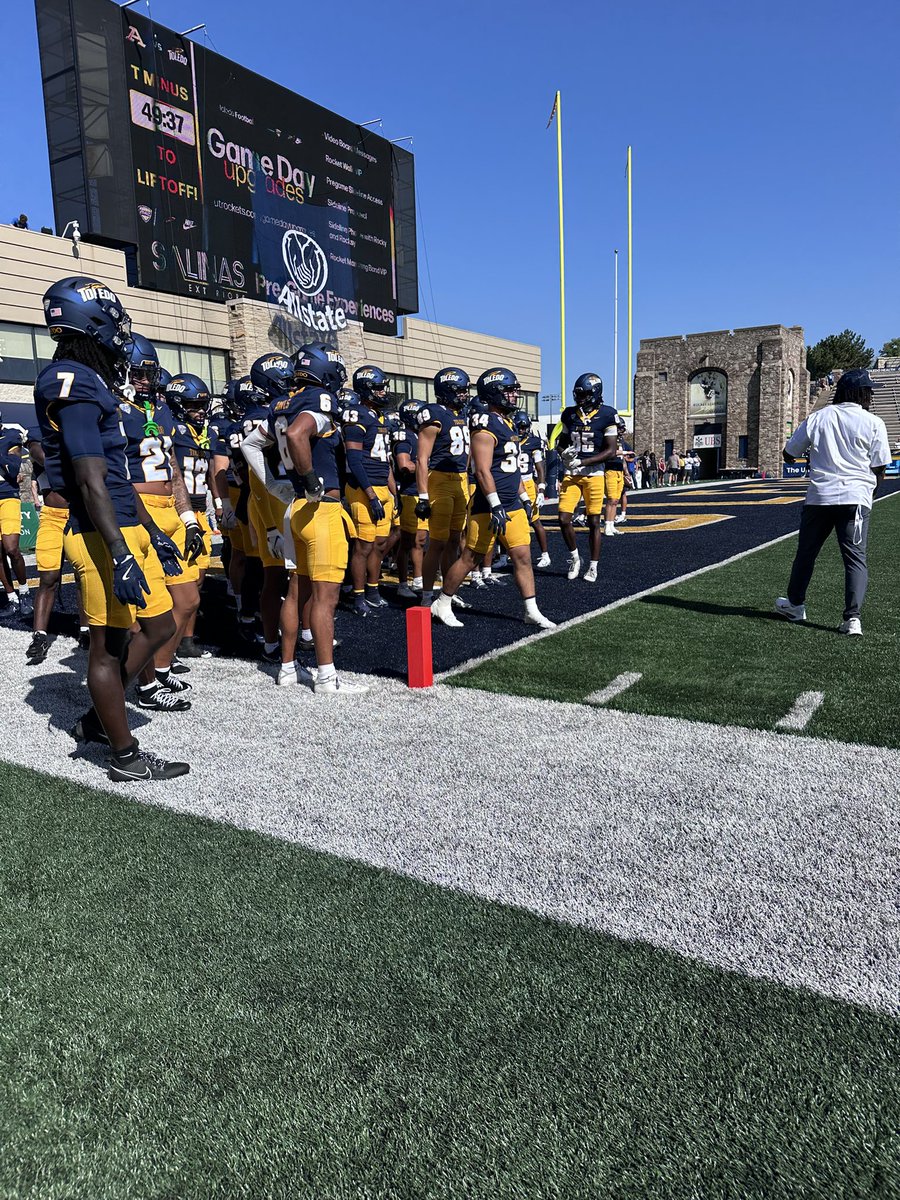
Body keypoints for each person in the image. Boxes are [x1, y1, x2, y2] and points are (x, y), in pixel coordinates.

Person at [35, 275, 188, 780]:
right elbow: (88, 476)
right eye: (115, 327)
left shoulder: (91, 379)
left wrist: (154, 533)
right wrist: (120, 551)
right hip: (101, 534)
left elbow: (117, 476)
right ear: (93, 324)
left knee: (161, 625)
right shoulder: (71, 380)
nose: (121, 338)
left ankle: (101, 718)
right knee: (107, 646)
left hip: (126, 523)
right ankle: (125, 757)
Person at [430, 368, 554, 629]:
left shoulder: (507, 423)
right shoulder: (484, 424)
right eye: (508, 391)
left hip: (511, 503)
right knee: (471, 557)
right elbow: (482, 470)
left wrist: (524, 497)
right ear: (493, 393)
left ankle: (531, 610)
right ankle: (442, 602)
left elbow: (512, 468)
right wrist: (495, 504)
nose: (514, 395)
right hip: (488, 505)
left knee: (522, 556)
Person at [775, 368, 890, 635]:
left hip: (820, 496)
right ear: (859, 393)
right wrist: (869, 494)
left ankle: (795, 605)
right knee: (855, 559)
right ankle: (852, 618)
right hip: (856, 498)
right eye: (868, 391)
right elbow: (880, 467)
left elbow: (789, 453)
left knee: (806, 554)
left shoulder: (819, 417)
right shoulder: (874, 422)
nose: (871, 396)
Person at [342, 365, 396, 615]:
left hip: (382, 487)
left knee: (380, 543)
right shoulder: (356, 415)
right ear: (366, 389)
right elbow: (354, 461)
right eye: (378, 388)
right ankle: (358, 595)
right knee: (363, 546)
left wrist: (393, 493)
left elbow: (386, 462)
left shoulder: (379, 417)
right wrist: (371, 495)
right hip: (363, 489)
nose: (383, 392)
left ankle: (373, 590)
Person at [415, 367, 472, 606]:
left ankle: (447, 594)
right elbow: (422, 459)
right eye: (460, 390)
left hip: (460, 480)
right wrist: (423, 496)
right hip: (439, 480)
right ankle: (427, 596)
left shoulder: (462, 414)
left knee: (454, 540)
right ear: (446, 391)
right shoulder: (434, 414)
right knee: (437, 542)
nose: (464, 395)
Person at [555, 373, 619, 581]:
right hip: (572, 474)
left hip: (594, 474)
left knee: (593, 522)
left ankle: (593, 566)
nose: (579, 398)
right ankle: (575, 558)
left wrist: (583, 462)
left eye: (584, 394)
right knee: (563, 518)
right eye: (578, 394)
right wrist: (563, 452)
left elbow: (611, 451)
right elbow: (561, 443)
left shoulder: (608, 414)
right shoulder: (569, 414)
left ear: (595, 393)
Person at [392, 398, 427, 598]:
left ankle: (418, 580)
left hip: (421, 493)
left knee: (420, 540)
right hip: (409, 493)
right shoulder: (405, 435)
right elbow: (404, 464)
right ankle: (405, 583)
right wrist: (425, 468)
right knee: (410, 541)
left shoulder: (419, 435)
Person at [0, 412, 32, 615]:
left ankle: (25, 591)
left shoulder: (11, 435)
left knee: (11, 548)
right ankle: (11, 597)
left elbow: (12, 469)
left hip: (7, 496)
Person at [513, 409, 551, 570]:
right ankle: (503, 556)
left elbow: (540, 467)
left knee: (534, 520)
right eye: (520, 427)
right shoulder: (509, 439)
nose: (522, 430)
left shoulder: (533, 442)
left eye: (524, 427)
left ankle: (545, 554)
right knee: (508, 519)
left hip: (527, 483)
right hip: (511, 483)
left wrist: (541, 489)